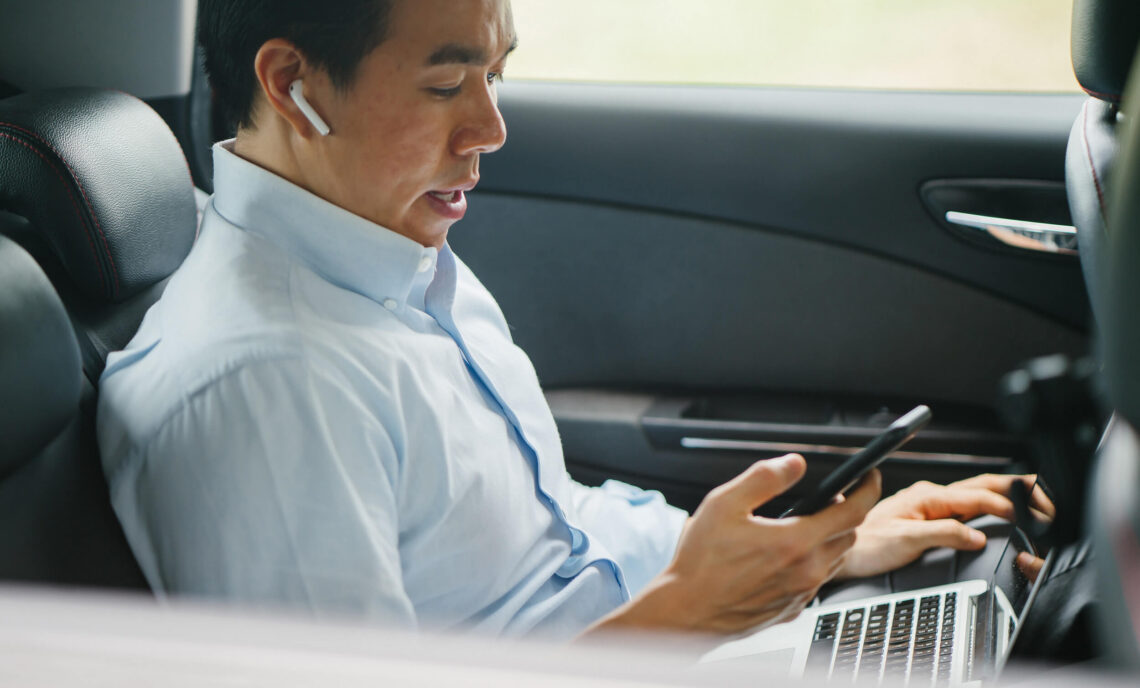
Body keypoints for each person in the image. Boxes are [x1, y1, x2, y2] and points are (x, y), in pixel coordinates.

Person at [97, 0, 1051, 640]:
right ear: (290, 84)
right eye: (446, 85)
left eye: (496, 74)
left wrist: (803, 556)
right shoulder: (264, 388)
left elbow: (550, 544)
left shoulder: (390, 257)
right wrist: (688, 617)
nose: (491, 128)